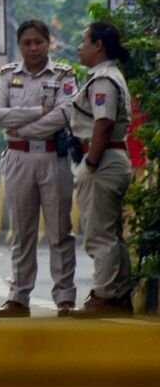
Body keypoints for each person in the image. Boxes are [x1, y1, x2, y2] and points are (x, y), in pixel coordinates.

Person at [0, 20, 77, 318]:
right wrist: (38, 112)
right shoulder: (7, 76)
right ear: (20, 45)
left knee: (59, 231)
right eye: (27, 42)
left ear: (48, 42)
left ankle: (65, 298)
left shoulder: (64, 75)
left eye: (38, 41)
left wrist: (23, 128)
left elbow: (65, 115)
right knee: (21, 232)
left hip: (53, 157)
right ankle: (18, 297)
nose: (33, 47)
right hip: (18, 159)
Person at [65, 22, 136, 318]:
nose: (80, 47)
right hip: (113, 158)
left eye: (84, 41)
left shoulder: (103, 80)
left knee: (99, 234)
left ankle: (105, 295)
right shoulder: (110, 76)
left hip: (102, 160)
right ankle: (118, 293)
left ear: (98, 46)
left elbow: (103, 122)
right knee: (113, 233)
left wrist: (91, 163)